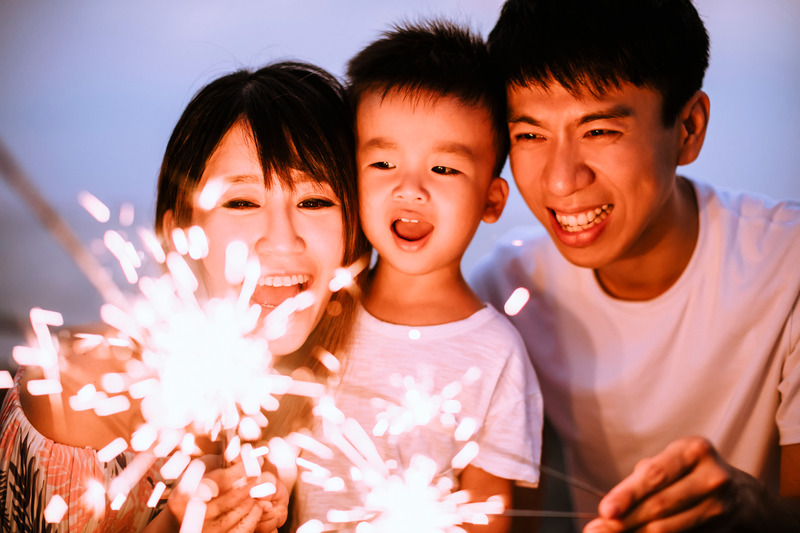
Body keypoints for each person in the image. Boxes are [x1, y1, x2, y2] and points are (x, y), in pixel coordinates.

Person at [469, 0, 800, 531]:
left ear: (688, 128)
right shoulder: (506, 290)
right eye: (529, 135)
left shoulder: (789, 267)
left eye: (599, 131)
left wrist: (750, 511)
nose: (560, 181)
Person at [0, 60, 369, 533]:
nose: (281, 239)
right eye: (242, 202)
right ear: (180, 232)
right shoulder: (75, 397)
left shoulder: (347, 407)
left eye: (314, 201)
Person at [294, 21, 543, 533]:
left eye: (445, 169)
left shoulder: (496, 356)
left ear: (492, 199)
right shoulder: (317, 311)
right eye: (383, 163)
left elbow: (486, 520)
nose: (411, 189)